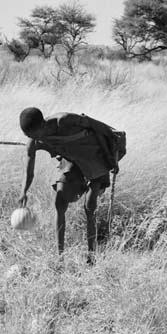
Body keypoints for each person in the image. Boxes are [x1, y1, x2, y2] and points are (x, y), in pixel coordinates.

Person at [18, 107, 119, 264]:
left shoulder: (65, 120)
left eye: (32, 134)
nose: (31, 138)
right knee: (59, 202)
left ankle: (91, 257)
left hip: (96, 160)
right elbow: (28, 172)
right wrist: (24, 191)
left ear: (42, 125)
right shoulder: (34, 140)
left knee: (90, 206)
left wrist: (112, 160)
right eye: (27, 135)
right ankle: (60, 258)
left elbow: (100, 129)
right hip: (73, 162)